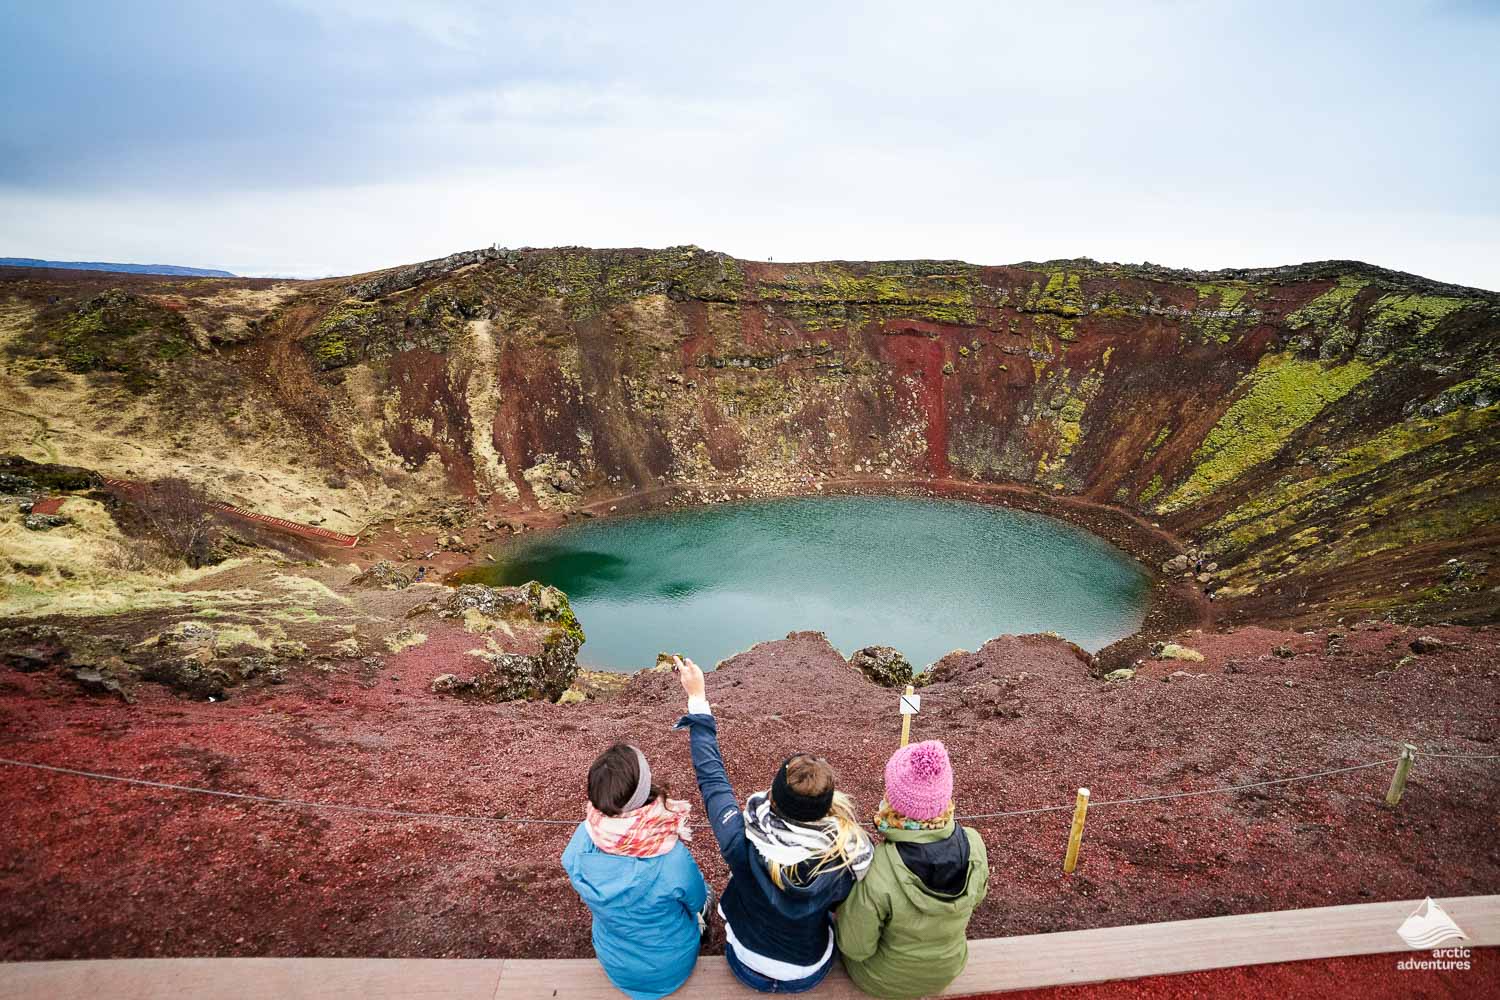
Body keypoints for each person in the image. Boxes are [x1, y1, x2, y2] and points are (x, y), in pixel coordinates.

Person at [672, 655, 873, 993]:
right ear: (826, 808)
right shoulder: (848, 855)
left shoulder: (742, 839)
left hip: (746, 963)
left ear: (774, 798)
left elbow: (712, 779)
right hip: (807, 969)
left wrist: (697, 698)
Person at [834, 740, 990, 1000]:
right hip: (948, 967)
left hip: (882, 979)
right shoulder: (974, 844)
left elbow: (855, 947)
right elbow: (977, 898)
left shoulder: (879, 866)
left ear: (892, 799)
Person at [561, 742, 709, 1000]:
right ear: (645, 791)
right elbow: (695, 901)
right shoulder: (671, 857)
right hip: (671, 967)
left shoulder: (580, 842)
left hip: (615, 963)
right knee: (704, 893)